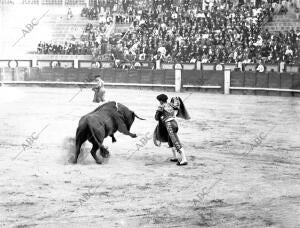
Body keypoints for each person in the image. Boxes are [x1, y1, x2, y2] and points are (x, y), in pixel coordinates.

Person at [154, 94, 188, 166]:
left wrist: (160, 114)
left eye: (159, 101)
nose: (159, 102)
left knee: (175, 141)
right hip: (174, 123)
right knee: (170, 140)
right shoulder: (171, 104)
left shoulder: (161, 106)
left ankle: (184, 159)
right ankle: (174, 157)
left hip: (169, 125)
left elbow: (156, 118)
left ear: (161, 101)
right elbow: (177, 107)